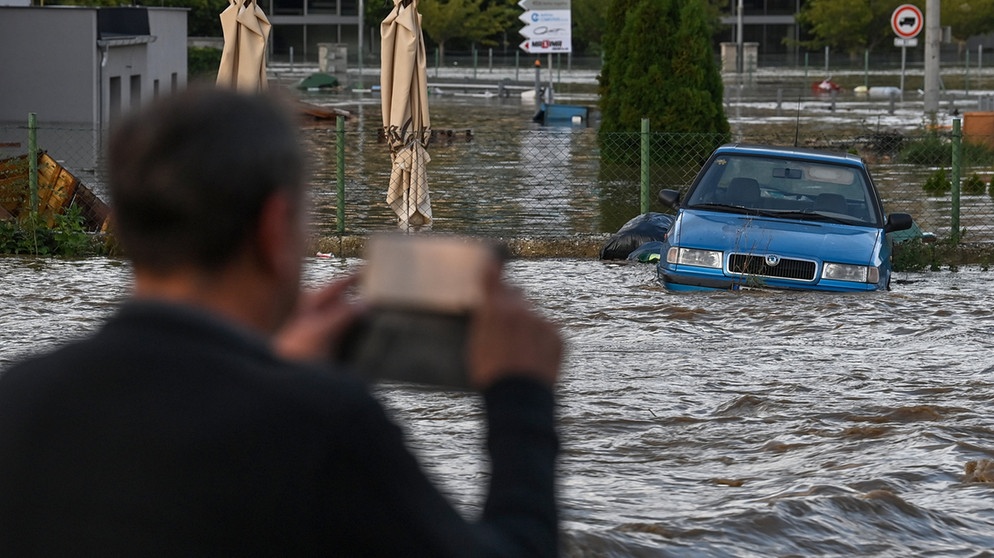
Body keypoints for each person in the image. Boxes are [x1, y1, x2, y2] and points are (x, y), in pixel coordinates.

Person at [0, 87, 563, 557]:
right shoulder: (319, 424)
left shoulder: (19, 398)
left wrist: (272, 364)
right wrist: (521, 395)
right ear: (274, 229)